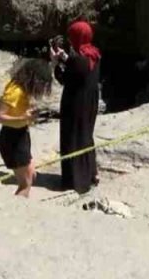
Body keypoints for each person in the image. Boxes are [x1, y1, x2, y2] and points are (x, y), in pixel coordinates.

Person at [52, 21, 102, 194]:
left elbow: (64, 78)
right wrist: (64, 57)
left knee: (73, 137)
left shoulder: (77, 60)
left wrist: (55, 63)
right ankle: (91, 173)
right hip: (90, 102)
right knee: (86, 135)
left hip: (75, 103)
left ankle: (75, 179)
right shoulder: (94, 55)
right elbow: (77, 66)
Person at [0, 58, 55, 198]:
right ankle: (17, 209)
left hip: (21, 135)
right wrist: (23, 118)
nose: (42, 87)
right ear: (33, 78)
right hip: (12, 139)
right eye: (41, 83)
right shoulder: (15, 92)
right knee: (26, 182)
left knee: (31, 175)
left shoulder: (22, 88)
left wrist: (26, 115)